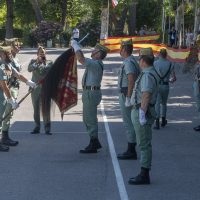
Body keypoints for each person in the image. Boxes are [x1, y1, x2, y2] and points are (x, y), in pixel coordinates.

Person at [71, 40, 109, 153]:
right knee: (87, 118)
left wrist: (76, 47)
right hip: (89, 92)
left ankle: (94, 142)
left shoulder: (96, 64)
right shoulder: (94, 63)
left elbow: (81, 59)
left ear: (99, 53)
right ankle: (94, 140)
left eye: (95, 50)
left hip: (91, 93)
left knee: (90, 119)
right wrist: (77, 48)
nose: (93, 51)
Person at [129, 48, 159, 185]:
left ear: (142, 60)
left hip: (143, 110)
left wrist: (142, 113)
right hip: (143, 109)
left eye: (139, 58)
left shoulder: (147, 75)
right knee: (143, 142)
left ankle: (144, 173)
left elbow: (146, 94)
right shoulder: (149, 72)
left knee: (143, 143)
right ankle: (144, 171)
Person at [0, 46, 36, 152]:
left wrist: (29, 82)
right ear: (3, 54)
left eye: (11, 53)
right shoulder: (1, 67)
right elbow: (4, 85)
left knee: (3, 116)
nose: (11, 55)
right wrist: (11, 100)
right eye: (9, 54)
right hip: (1, 93)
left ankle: (4, 138)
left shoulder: (8, 65)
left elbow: (18, 75)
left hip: (3, 93)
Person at [117, 39, 140, 160]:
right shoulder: (130, 61)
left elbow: (131, 79)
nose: (120, 50)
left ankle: (131, 150)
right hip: (128, 93)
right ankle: (131, 148)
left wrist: (128, 97)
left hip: (126, 93)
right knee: (129, 122)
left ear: (125, 49)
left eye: (121, 48)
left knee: (128, 123)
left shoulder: (129, 62)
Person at [1, 39, 22, 146]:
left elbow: (18, 73)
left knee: (9, 113)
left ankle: (5, 135)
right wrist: (10, 98)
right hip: (9, 88)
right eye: (16, 45)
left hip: (14, 88)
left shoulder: (14, 58)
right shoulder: (7, 60)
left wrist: (29, 82)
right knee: (6, 113)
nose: (18, 47)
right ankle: (4, 137)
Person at [28, 46, 53, 135]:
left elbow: (51, 74)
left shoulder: (50, 63)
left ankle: (47, 128)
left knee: (46, 109)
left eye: (43, 52)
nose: (42, 53)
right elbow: (29, 69)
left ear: (45, 53)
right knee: (36, 109)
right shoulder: (33, 62)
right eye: (40, 52)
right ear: (37, 54)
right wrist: (37, 62)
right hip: (35, 89)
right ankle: (37, 127)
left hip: (45, 89)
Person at [154, 49, 176, 129]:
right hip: (166, 86)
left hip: (157, 86)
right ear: (166, 55)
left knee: (157, 103)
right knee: (164, 103)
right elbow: (174, 78)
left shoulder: (155, 63)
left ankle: (157, 122)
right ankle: (163, 120)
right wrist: (169, 80)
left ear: (159, 54)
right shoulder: (170, 64)